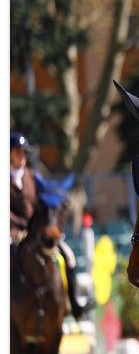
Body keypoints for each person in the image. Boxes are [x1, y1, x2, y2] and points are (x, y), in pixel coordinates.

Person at [10, 131, 91, 321]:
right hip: (10, 231)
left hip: (34, 231)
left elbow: (44, 203)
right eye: (17, 152)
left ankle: (75, 303)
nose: (22, 156)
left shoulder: (32, 176)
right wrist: (18, 225)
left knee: (69, 257)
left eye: (23, 152)